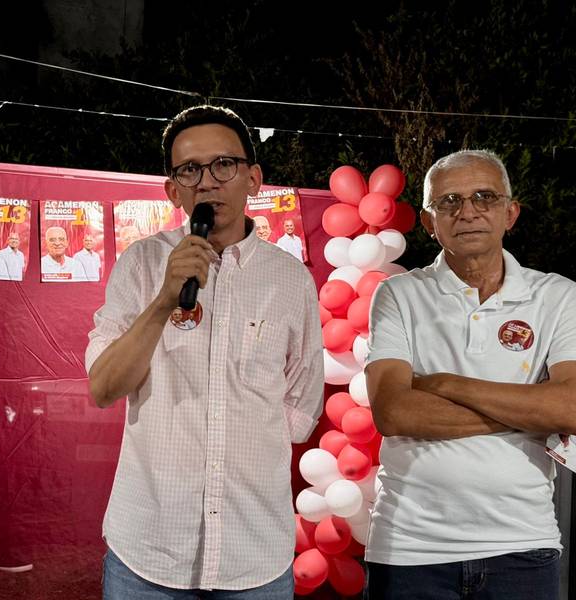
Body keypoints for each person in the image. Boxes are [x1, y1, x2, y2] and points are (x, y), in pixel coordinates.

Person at [86, 104, 324, 599]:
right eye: (189, 170)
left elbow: (300, 400)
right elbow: (104, 387)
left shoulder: (288, 278)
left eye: (223, 165)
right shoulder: (142, 263)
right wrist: (163, 300)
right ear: (173, 189)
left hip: (254, 554)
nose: (207, 182)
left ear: (253, 178)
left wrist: (246, 446)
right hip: (148, 552)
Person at [365, 149, 576, 600]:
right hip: (409, 548)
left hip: (523, 543)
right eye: (449, 202)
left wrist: (444, 384)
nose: (468, 212)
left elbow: (570, 407)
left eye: (485, 197)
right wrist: (532, 406)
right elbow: (394, 412)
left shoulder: (557, 295)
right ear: (428, 222)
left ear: (510, 212)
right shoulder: (398, 295)